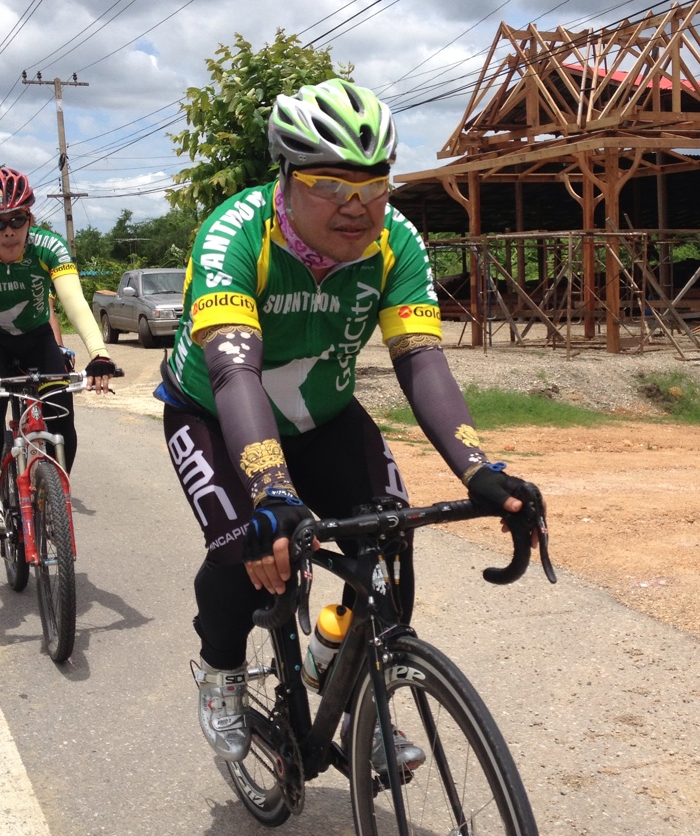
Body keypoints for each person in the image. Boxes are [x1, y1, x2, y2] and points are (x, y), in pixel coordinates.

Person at [157, 77, 544, 768]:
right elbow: (235, 374)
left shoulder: (397, 242)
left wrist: (480, 469)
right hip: (214, 412)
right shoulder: (235, 234)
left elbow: (421, 360)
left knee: (390, 538)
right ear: (286, 176)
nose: (356, 206)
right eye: (329, 185)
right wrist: (272, 491)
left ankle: (354, 684)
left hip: (323, 417)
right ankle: (220, 671)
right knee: (250, 550)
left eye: (373, 186)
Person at [0, 166, 117, 537]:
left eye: (17, 220)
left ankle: (53, 493)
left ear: (30, 219)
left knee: (62, 412)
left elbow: (74, 302)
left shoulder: (49, 247)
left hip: (36, 337)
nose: (8, 231)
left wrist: (99, 353)